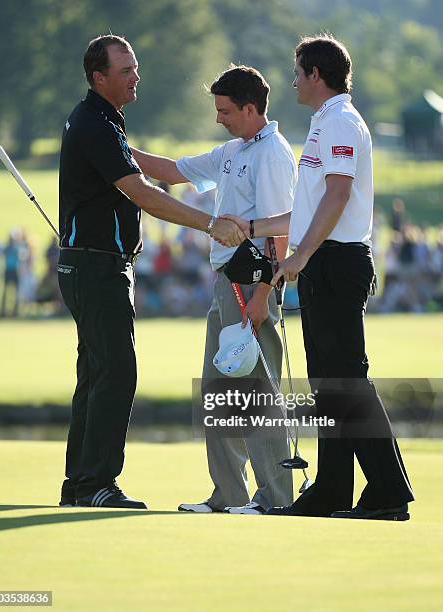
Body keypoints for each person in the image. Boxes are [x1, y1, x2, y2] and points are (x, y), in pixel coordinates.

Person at [223, 35, 414, 520]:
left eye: (297, 70)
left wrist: (302, 255)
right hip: (324, 260)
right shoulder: (324, 124)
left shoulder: (341, 121)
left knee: (346, 379)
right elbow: (309, 208)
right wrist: (255, 228)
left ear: (315, 74)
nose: (292, 80)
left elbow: (338, 195)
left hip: (336, 260)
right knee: (330, 383)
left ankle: (388, 493)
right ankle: (332, 490)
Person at [58, 35, 243, 509]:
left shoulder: (104, 123)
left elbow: (153, 170)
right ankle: (96, 483)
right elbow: (142, 193)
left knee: (97, 373)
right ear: (99, 78)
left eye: (135, 67)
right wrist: (210, 223)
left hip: (93, 264)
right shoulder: (97, 125)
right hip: (97, 265)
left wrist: (216, 177)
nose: (135, 75)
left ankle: (80, 484)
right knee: (116, 373)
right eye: (125, 71)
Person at [132, 65, 297, 514]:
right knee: (218, 390)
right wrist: (114, 147)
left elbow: (279, 229)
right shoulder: (233, 149)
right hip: (226, 281)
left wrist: (265, 291)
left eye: (224, 110)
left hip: (251, 282)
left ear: (249, 108)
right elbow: (169, 170)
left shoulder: (273, 153)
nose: (218, 117)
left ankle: (276, 496)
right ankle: (229, 493)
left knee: (256, 390)